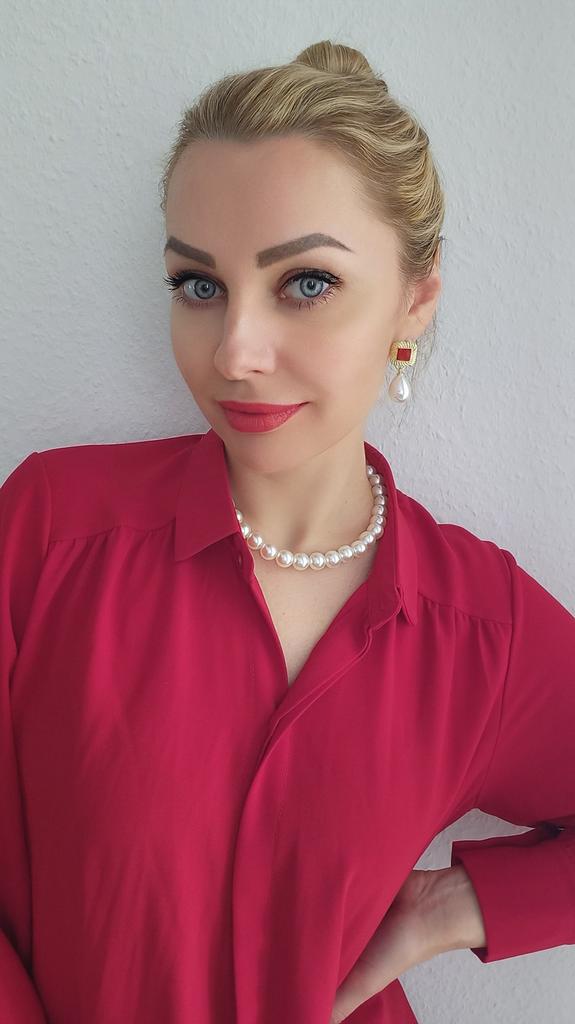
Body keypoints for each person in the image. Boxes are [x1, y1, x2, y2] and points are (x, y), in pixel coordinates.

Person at [1, 38, 573, 1024]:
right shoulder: (52, 532)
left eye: (305, 282)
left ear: (414, 298)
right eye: (198, 284)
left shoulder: (481, 630)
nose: (234, 351)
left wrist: (459, 903)